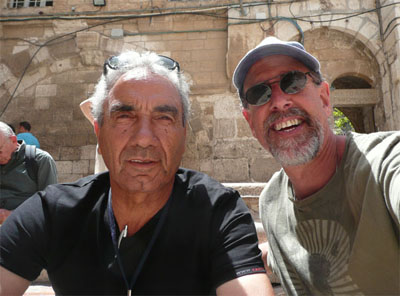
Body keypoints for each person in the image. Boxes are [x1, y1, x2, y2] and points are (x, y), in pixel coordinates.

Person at [0, 51, 273, 295]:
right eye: (124, 116)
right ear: (98, 131)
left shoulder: (219, 212)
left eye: (164, 118)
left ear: (183, 134)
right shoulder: (52, 212)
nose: (144, 139)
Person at [232, 36, 400, 295]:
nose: (278, 101)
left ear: (324, 98)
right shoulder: (272, 204)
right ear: (250, 123)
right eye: (259, 93)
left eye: (293, 82)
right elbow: (275, 257)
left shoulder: (385, 162)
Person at [0, 121, 57, 224]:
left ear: (13, 140)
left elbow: (49, 206)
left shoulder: (40, 161)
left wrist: (12, 215)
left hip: (25, 230)